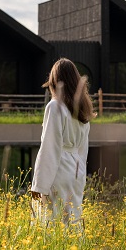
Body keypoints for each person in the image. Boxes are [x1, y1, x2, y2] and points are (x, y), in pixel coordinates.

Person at [30, 58, 93, 227]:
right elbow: (83, 149)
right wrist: (81, 177)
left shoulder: (55, 107)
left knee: (50, 222)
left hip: (58, 169)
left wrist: (39, 185)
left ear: (54, 81)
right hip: (76, 171)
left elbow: (51, 147)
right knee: (73, 221)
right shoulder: (82, 109)